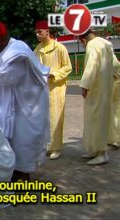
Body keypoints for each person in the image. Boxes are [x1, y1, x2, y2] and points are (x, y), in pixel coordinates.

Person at [0, 21, 50, 180]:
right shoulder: (3, 51)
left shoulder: (17, 53)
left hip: (29, 104)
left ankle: (23, 175)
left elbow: (6, 78)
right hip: (17, 102)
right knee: (13, 138)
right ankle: (14, 170)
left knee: (23, 139)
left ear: (2, 39)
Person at [34, 20, 72, 160]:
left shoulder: (59, 48)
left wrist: (54, 74)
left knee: (55, 118)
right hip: (42, 89)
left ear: (47, 32)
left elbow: (68, 67)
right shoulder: (37, 49)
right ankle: (46, 145)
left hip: (56, 88)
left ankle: (56, 147)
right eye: (36, 33)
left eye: (40, 32)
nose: (38, 35)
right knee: (44, 119)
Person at [78, 30, 114, 165]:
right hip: (104, 87)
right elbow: (114, 63)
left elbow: (91, 66)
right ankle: (94, 150)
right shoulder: (106, 43)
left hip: (95, 88)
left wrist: (85, 85)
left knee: (97, 120)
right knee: (97, 119)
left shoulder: (92, 45)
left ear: (83, 40)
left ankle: (102, 153)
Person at [109, 55, 120, 148]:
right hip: (114, 86)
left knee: (116, 113)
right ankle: (112, 138)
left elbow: (115, 67)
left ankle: (116, 139)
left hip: (116, 86)